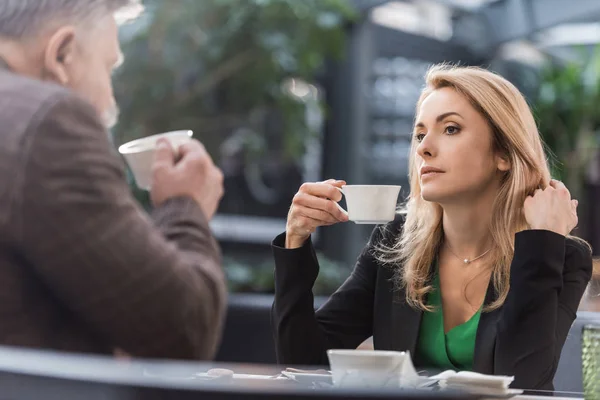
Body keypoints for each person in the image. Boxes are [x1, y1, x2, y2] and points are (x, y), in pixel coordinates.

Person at [271, 64, 593, 390]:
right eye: (420, 134)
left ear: (504, 153)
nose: (424, 148)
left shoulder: (561, 257)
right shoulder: (394, 244)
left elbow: (524, 381)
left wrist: (542, 242)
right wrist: (295, 243)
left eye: (450, 129)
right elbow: (304, 361)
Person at [0, 0, 227, 360]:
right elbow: (182, 329)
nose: (110, 100)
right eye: (109, 69)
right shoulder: (47, 122)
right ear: (62, 54)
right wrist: (186, 207)